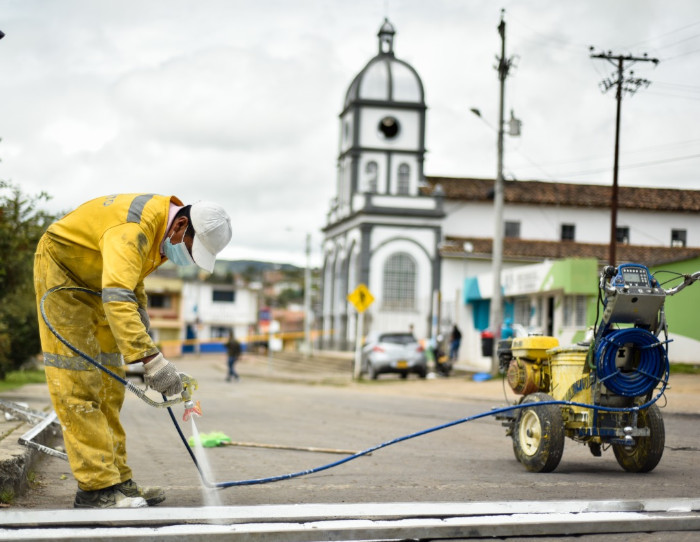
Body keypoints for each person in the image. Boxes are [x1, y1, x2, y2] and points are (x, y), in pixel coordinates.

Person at [33, 194, 232, 509]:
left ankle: (119, 481)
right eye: (193, 251)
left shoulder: (160, 232)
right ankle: (96, 489)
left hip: (99, 284)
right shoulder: (134, 228)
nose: (189, 260)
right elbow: (118, 291)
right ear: (181, 224)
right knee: (79, 384)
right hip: (65, 275)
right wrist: (152, 361)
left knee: (111, 385)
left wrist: (141, 313)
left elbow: (131, 278)